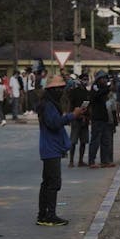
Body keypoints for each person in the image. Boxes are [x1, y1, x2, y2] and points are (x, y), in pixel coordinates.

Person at [37, 75, 85, 226]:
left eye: (61, 88)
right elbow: (54, 123)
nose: (60, 91)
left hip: (51, 148)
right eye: (57, 89)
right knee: (53, 183)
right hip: (50, 149)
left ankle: (43, 215)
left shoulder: (50, 104)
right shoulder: (48, 105)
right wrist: (72, 115)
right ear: (50, 90)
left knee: (47, 183)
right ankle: (49, 215)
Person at [87, 71, 115, 168]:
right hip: (97, 118)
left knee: (105, 141)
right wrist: (107, 89)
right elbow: (97, 95)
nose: (104, 80)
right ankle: (91, 161)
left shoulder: (106, 88)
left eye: (105, 78)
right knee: (95, 141)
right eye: (102, 78)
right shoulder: (95, 87)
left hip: (106, 118)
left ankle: (105, 160)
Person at [67, 77, 90, 167]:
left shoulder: (87, 92)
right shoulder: (74, 92)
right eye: (84, 79)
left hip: (85, 119)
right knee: (73, 141)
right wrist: (69, 116)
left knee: (83, 141)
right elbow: (70, 104)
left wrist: (88, 117)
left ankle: (80, 160)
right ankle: (71, 161)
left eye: (86, 79)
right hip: (75, 118)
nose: (85, 81)